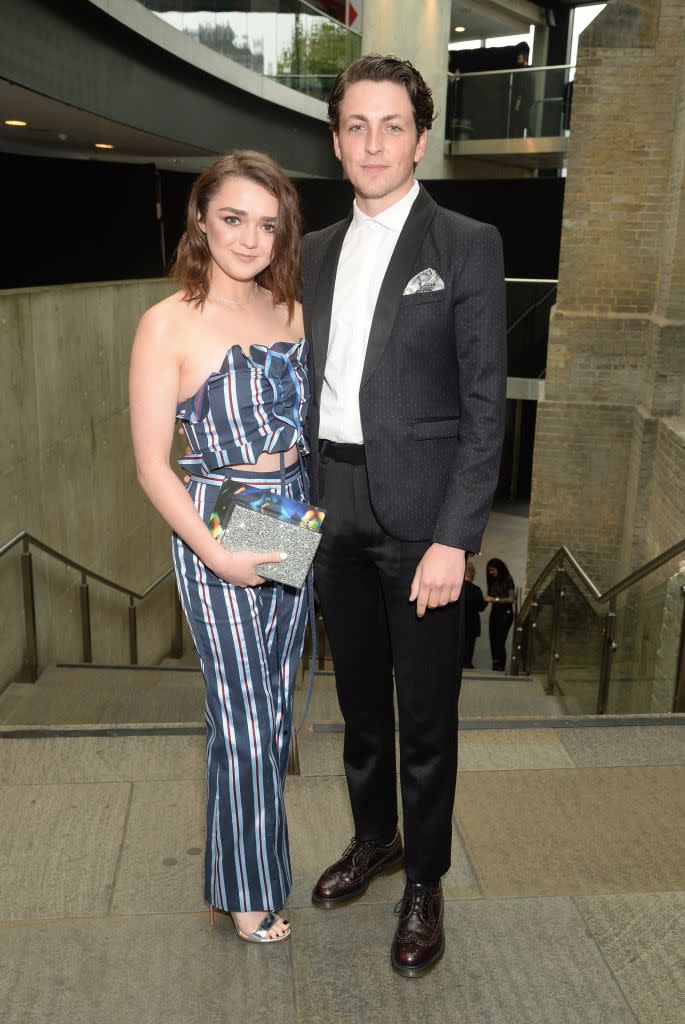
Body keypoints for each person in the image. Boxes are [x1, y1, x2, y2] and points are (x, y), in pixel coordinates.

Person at [302, 55, 506, 976]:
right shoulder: (305, 252)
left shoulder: (464, 243)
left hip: (423, 523)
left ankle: (424, 879)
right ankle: (373, 838)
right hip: (328, 505)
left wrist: (455, 539)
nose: (373, 142)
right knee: (356, 706)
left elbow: (483, 405)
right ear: (336, 138)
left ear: (420, 139)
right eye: (356, 125)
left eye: (392, 125)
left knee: (425, 717)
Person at [129, 151, 309, 944]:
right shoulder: (166, 322)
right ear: (200, 219)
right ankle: (245, 889)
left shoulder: (289, 309)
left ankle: (239, 866)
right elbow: (148, 465)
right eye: (233, 218)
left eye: (267, 224)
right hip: (215, 511)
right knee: (240, 714)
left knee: (271, 715)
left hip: (290, 514)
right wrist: (211, 552)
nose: (250, 238)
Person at [485, 558, 515, 671]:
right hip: (495, 612)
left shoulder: (507, 579)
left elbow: (511, 599)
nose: (491, 573)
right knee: (493, 639)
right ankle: (496, 664)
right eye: (490, 571)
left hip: (505, 613)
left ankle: (500, 665)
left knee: (500, 640)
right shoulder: (493, 580)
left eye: (492, 570)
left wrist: (495, 599)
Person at [462, 562, 486, 669]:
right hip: (472, 623)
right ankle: (467, 664)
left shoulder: (457, 588)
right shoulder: (476, 590)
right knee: (469, 647)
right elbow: (481, 607)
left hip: (458, 622)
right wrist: (486, 600)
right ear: (472, 574)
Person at [511, 42, 534, 137]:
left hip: (523, 102)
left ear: (524, 59)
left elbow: (522, 87)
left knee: (523, 124)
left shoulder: (524, 71)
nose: (517, 61)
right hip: (527, 101)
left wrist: (518, 103)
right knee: (524, 124)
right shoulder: (531, 70)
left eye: (519, 58)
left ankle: (531, 141)